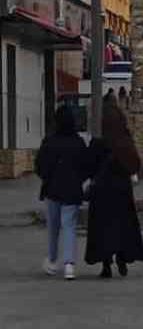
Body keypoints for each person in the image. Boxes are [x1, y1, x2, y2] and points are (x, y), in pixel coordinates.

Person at [84, 96, 143, 279]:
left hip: (102, 192)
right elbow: (135, 164)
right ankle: (122, 258)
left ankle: (106, 265)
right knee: (122, 226)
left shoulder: (98, 142)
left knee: (103, 228)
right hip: (121, 191)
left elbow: (89, 166)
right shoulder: (125, 140)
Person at [35, 104, 88, 281]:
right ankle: (69, 265)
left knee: (53, 228)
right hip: (72, 191)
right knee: (69, 226)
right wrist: (78, 180)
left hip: (52, 190)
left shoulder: (49, 141)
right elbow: (85, 167)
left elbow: (39, 165)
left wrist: (47, 177)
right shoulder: (78, 142)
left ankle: (51, 261)